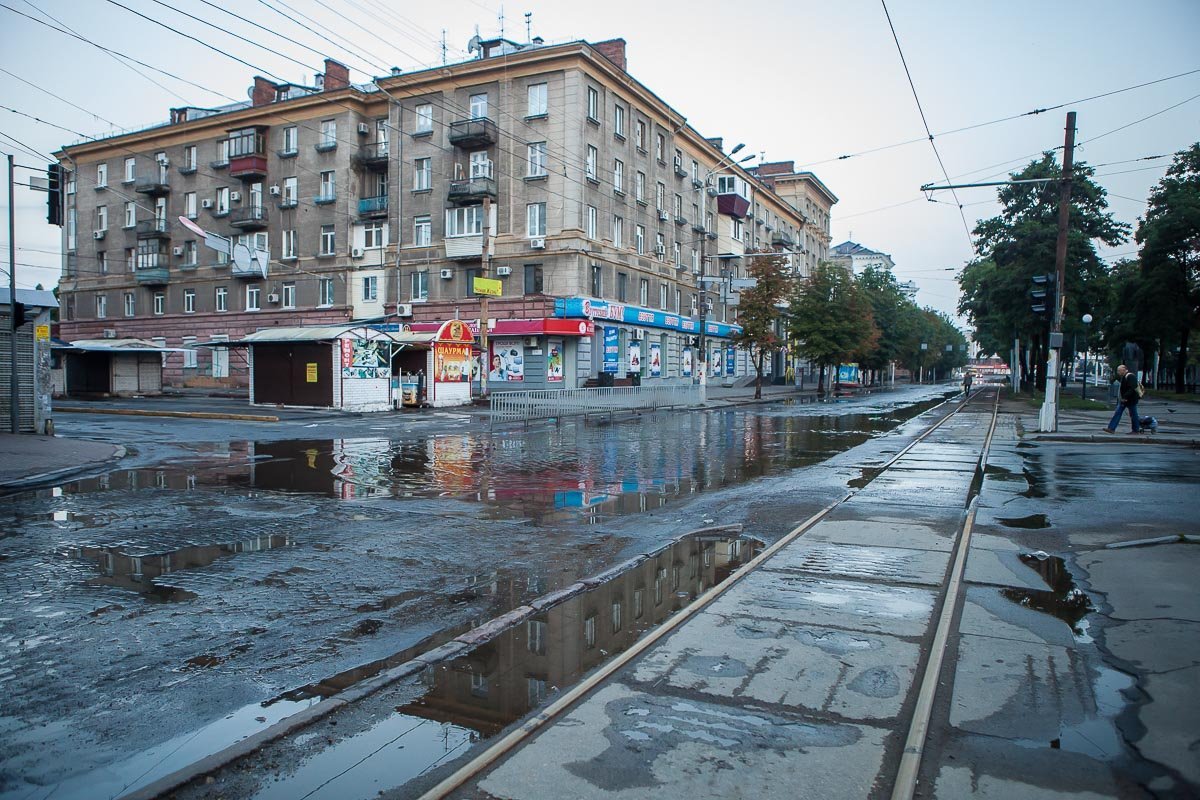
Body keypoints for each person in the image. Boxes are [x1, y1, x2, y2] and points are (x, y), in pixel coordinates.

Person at [1104, 365, 1141, 434]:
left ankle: (1136, 430)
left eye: (1119, 370)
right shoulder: (1124, 377)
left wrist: (1125, 397)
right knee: (1118, 412)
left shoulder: (1130, 376)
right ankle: (1111, 428)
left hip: (1130, 400)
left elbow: (1132, 388)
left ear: (1124, 370)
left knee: (1133, 414)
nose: (1118, 372)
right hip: (1124, 400)